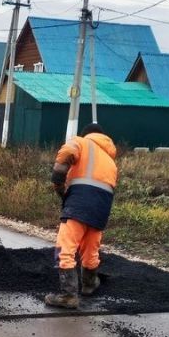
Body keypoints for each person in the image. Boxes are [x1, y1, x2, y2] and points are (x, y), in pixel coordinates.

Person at [45, 123, 118, 308]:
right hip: (101, 207)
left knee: (65, 248)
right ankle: (89, 284)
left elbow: (67, 152)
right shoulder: (111, 161)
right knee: (91, 248)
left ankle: (68, 295)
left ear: (87, 135)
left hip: (79, 202)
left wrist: (58, 183)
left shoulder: (82, 142)